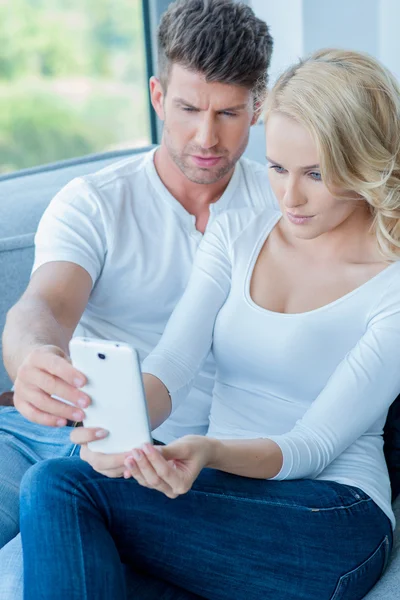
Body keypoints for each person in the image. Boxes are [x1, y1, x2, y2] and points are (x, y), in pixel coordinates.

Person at [20, 48, 400, 600]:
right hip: (222, 498)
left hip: (331, 515)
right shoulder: (236, 234)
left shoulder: (392, 284)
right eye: (276, 168)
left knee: (60, 488)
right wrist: (119, 430)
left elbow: (312, 445)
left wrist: (208, 451)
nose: (289, 196)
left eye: (316, 174)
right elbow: (172, 366)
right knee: (87, 535)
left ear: (364, 163)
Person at [0, 0, 275, 597]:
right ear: (156, 96)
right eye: (187, 108)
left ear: (260, 106)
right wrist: (32, 359)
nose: (207, 137)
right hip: (60, 426)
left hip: (177, 451)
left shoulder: (284, 208)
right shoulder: (94, 202)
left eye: (230, 112)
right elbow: (42, 306)